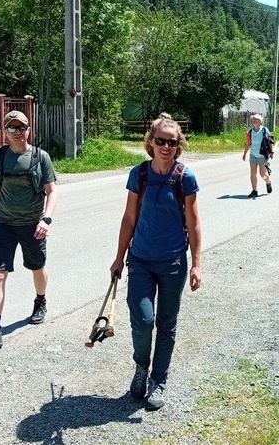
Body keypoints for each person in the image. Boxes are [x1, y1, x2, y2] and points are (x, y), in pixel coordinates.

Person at [110, 112, 202, 411]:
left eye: (172, 142)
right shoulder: (140, 174)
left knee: (166, 324)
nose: (166, 147)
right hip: (141, 260)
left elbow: (194, 223)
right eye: (161, 141)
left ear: (179, 145)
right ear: (150, 142)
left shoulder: (185, 177)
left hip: (173, 262)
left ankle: (159, 380)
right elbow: (129, 218)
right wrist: (119, 257)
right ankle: (141, 368)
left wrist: (196, 263)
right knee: (143, 320)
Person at [0, 110, 58, 350]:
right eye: (12, 128)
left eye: (22, 127)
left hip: (33, 225)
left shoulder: (40, 157)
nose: (18, 132)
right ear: (6, 132)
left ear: (28, 130)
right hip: (3, 225)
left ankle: (40, 301)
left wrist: (46, 220)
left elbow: (52, 191)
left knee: (37, 267)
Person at [242, 113, 274, 198]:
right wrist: (244, 154)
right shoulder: (250, 132)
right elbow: (248, 143)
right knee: (253, 174)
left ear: (260, 121)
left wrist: (272, 152)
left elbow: (270, 141)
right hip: (253, 155)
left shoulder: (264, 130)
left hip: (262, 155)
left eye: (256, 119)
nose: (253, 120)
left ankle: (268, 182)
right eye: (253, 119)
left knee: (262, 174)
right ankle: (254, 190)